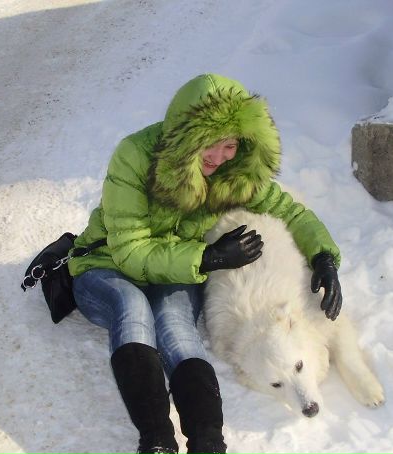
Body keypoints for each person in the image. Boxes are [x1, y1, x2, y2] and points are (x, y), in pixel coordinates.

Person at [68, 74, 342, 454]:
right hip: (106, 265)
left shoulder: (234, 169)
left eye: (229, 145)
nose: (219, 158)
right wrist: (209, 258)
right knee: (133, 310)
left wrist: (324, 256)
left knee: (178, 326)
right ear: (184, 139)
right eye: (207, 147)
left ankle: (208, 441)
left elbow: (290, 212)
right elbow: (130, 250)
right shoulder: (134, 156)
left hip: (177, 268)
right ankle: (157, 440)